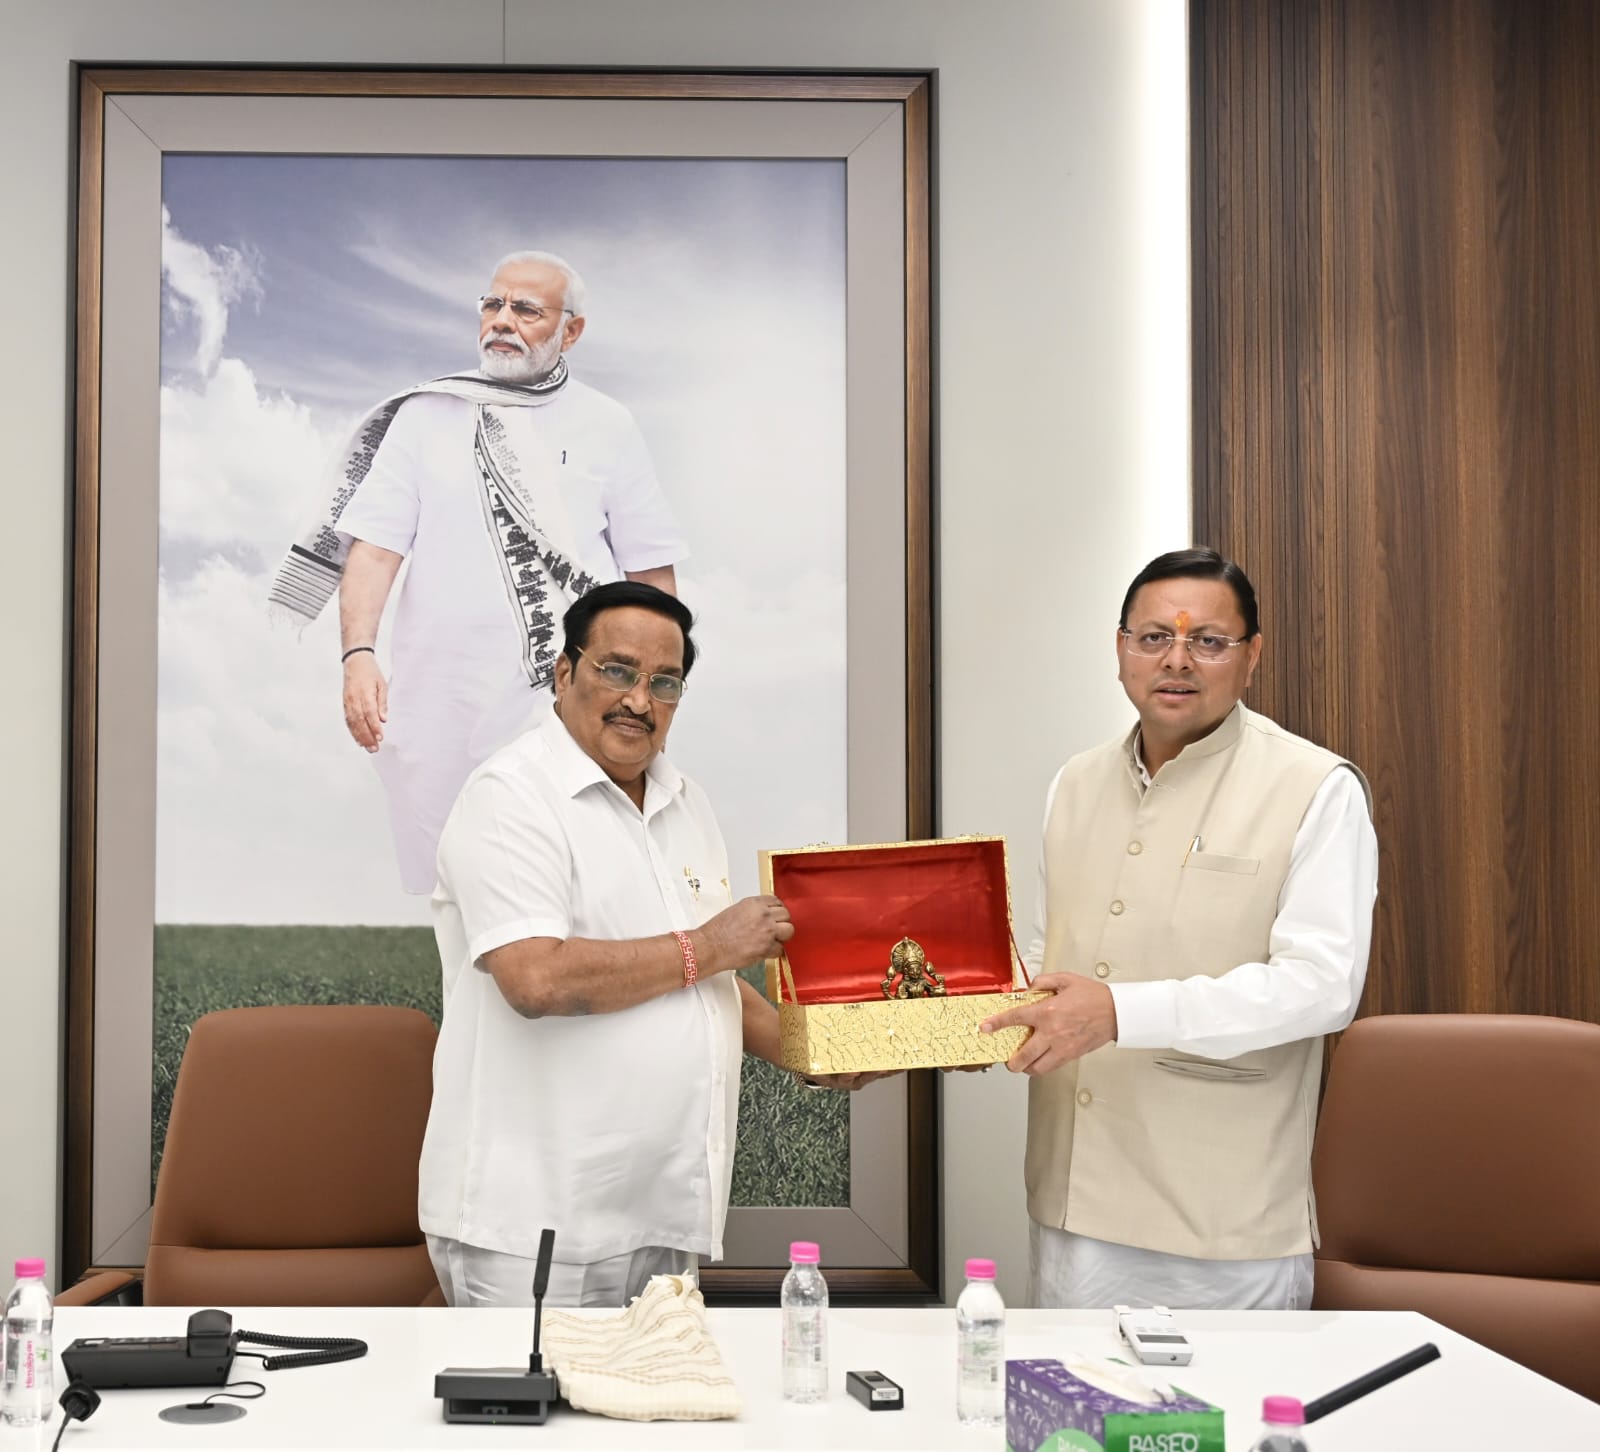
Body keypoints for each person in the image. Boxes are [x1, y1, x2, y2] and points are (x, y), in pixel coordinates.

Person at [418, 581, 875, 1308]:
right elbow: (536, 979)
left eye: (665, 681)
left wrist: (816, 1053)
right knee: (540, 1393)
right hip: (533, 1224)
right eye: (617, 670)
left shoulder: (685, 801)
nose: (639, 699)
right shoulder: (510, 795)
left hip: (664, 1215)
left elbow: (708, 984)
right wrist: (710, 943)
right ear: (564, 672)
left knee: (660, 1385)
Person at [982, 548, 1378, 1311]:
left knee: (1222, 1398)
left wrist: (1119, 1012)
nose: (1177, 660)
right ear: (1121, 650)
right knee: (1073, 1395)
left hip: (1221, 1223)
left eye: (1209, 641)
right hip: (1070, 1204)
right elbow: (1043, 955)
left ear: (1252, 656)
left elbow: (1322, 988)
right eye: (1154, 637)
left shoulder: (1316, 788)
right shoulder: (1075, 782)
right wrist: (969, 1018)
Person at [267, 249, 686, 892]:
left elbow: (650, 573)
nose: (502, 321)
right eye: (493, 304)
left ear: (571, 330)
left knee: (578, 876)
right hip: (444, 698)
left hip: (569, 693)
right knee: (457, 884)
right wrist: (358, 655)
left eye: (527, 310)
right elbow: (375, 549)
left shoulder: (609, 424)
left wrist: (658, 691)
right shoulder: (427, 414)